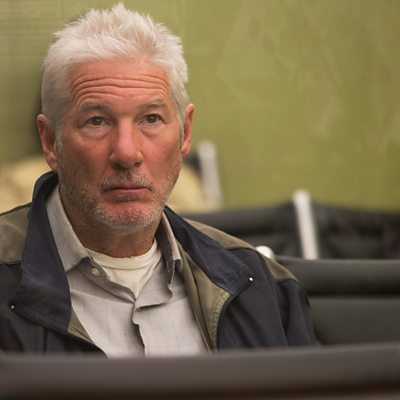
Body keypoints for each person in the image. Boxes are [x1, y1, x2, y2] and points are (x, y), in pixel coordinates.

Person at [0, 4, 315, 355]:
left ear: (185, 133)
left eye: (150, 119)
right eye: (97, 121)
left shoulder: (262, 289)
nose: (126, 153)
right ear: (50, 142)